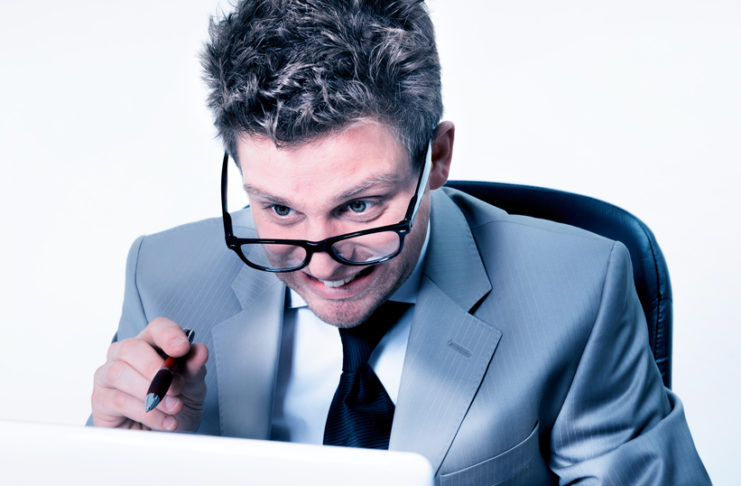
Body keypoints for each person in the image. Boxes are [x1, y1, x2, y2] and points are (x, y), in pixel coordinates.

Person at [90, 0, 710, 483]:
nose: (322, 264)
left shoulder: (578, 291)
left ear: (437, 158)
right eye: (278, 209)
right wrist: (130, 453)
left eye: (359, 206)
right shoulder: (162, 277)